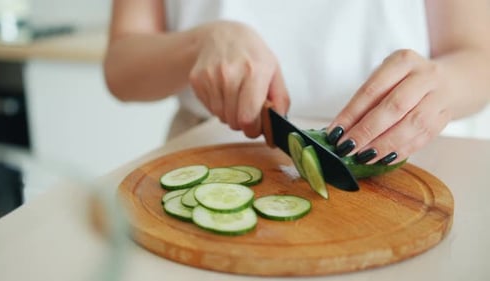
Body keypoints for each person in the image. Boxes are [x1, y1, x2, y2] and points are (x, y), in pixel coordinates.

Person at [103, 0, 490, 165]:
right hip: (207, 148)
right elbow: (121, 67)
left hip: (401, 153)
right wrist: (199, 42)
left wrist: (445, 85)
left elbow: (478, 56)